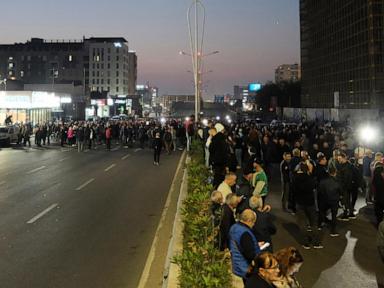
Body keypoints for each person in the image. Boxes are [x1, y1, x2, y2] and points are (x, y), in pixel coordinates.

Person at [293, 162, 322, 249]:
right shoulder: (310, 178)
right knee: (313, 223)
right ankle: (316, 242)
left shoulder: (295, 178)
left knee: (302, 223)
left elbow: (293, 190)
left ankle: (306, 243)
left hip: (299, 202)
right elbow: (315, 185)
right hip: (310, 203)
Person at [229, 209, 262, 281]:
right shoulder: (245, 233)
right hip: (245, 269)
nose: (253, 225)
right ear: (249, 221)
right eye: (253, 222)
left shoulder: (234, 227)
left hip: (236, 265)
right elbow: (250, 254)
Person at [318, 166, 342, 236]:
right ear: (335, 173)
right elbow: (341, 191)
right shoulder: (337, 182)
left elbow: (320, 191)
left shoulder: (323, 181)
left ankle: (319, 225)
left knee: (322, 211)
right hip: (334, 200)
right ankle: (333, 231)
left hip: (324, 200)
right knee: (334, 216)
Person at [209, 123, 229, 188]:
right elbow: (226, 151)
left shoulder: (215, 139)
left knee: (217, 178)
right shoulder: (223, 138)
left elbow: (210, 149)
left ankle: (216, 190)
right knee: (221, 177)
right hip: (222, 162)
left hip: (216, 162)